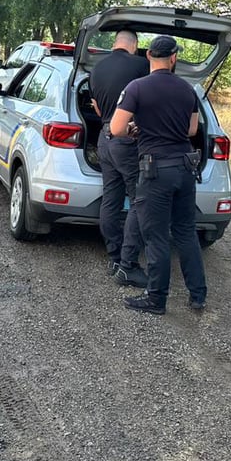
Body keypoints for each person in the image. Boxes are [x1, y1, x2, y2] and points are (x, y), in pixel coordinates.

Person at [109, 35, 205, 314]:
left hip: (155, 171)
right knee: (186, 233)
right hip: (186, 168)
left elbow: (116, 129)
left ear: (149, 55)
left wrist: (138, 128)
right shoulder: (188, 90)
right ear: (174, 58)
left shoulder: (137, 87)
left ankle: (156, 299)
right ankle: (198, 295)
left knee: (157, 237)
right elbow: (191, 130)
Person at [89, 29, 149, 286]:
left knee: (111, 198)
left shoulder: (96, 69)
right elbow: (152, 99)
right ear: (134, 45)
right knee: (139, 199)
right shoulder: (141, 65)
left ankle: (114, 257)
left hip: (105, 137)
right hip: (129, 138)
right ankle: (128, 265)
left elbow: (99, 109)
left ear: (115, 43)